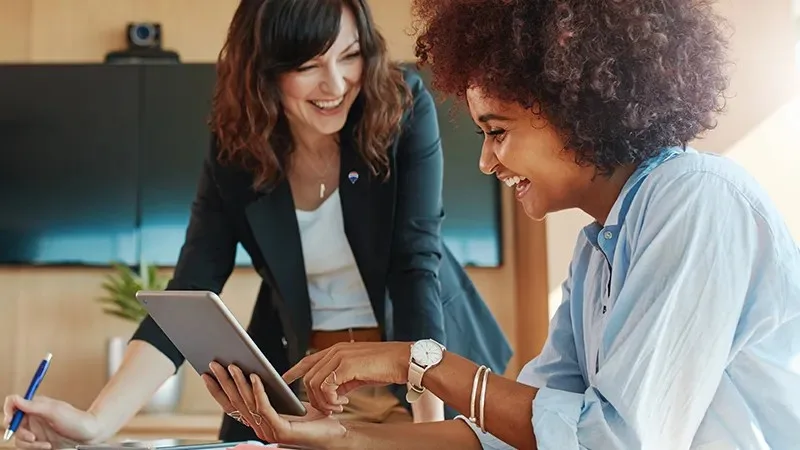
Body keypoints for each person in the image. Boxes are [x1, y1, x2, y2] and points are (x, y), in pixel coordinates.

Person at [196, 0, 800, 448]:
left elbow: (611, 441)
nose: (487, 161)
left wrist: (417, 359)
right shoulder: (599, 250)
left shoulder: (695, 200)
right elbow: (521, 432)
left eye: (497, 131)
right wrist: (338, 439)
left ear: (576, 107)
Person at [1, 0, 513, 447]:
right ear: (265, 69)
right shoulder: (238, 149)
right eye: (309, 65)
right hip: (308, 385)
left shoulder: (401, 108)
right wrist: (94, 423)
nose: (335, 84)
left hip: (419, 369)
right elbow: (190, 291)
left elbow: (414, 266)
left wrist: (430, 431)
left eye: (350, 55)